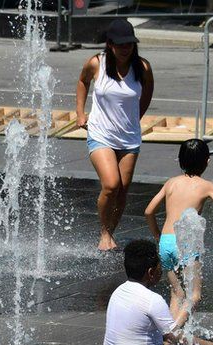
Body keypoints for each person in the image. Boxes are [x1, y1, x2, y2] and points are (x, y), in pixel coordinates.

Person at [144, 139, 213, 327]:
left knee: (177, 294)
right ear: (207, 161)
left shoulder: (171, 183)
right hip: (186, 243)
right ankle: (173, 330)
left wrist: (157, 236)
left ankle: (167, 334)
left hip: (166, 242)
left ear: (180, 160)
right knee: (194, 296)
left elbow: (148, 211)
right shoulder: (206, 185)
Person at [75, 18, 155, 251]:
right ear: (109, 44)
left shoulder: (143, 67)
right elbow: (82, 82)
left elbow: (148, 91)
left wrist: (137, 115)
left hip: (129, 137)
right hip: (101, 133)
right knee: (111, 184)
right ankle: (103, 232)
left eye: (129, 44)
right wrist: (80, 113)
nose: (125, 49)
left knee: (123, 189)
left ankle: (110, 233)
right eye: (120, 45)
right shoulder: (96, 63)